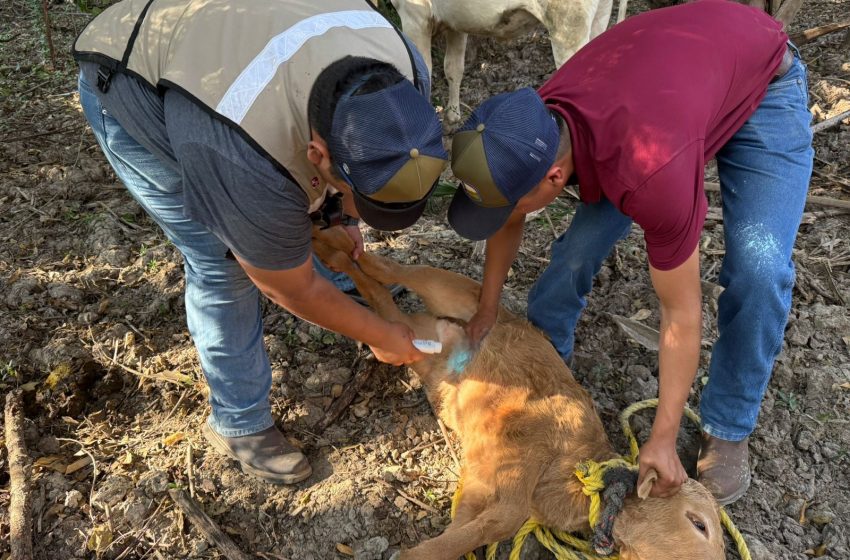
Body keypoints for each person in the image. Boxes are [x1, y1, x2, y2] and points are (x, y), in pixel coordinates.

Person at [447, 0, 813, 505]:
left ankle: (728, 423)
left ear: (555, 176)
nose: (507, 214)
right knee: (577, 249)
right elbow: (507, 214)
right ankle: (547, 355)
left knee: (759, 270)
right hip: (677, 93)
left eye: (515, 202)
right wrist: (487, 310)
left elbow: (680, 312)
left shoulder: (650, 172)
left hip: (763, 84)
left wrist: (661, 438)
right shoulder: (531, 125)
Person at [73, 0, 448, 484]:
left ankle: (338, 271)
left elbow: (340, 167)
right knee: (221, 262)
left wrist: (338, 213)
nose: (370, 219)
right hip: (133, 78)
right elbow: (286, 288)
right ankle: (240, 420)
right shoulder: (237, 153)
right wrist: (379, 336)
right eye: (366, 202)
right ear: (319, 154)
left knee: (301, 215)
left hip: (246, 49)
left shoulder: (406, 79)